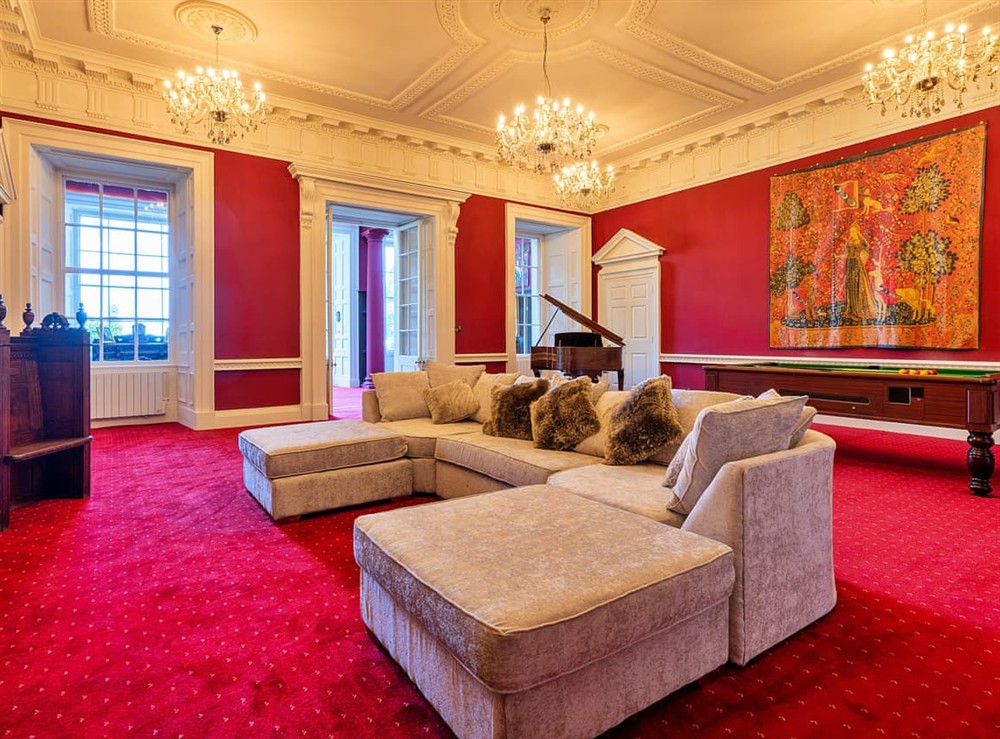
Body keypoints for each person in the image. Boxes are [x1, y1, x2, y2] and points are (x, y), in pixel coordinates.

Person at [842, 223, 877, 323]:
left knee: (858, 286)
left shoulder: (862, 242)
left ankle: (858, 311)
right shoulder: (849, 242)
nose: (852, 233)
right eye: (851, 231)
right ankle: (850, 311)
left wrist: (863, 259)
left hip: (857, 265)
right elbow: (845, 253)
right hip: (849, 264)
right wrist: (837, 256)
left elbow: (867, 251)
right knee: (850, 287)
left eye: (853, 231)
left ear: (857, 232)